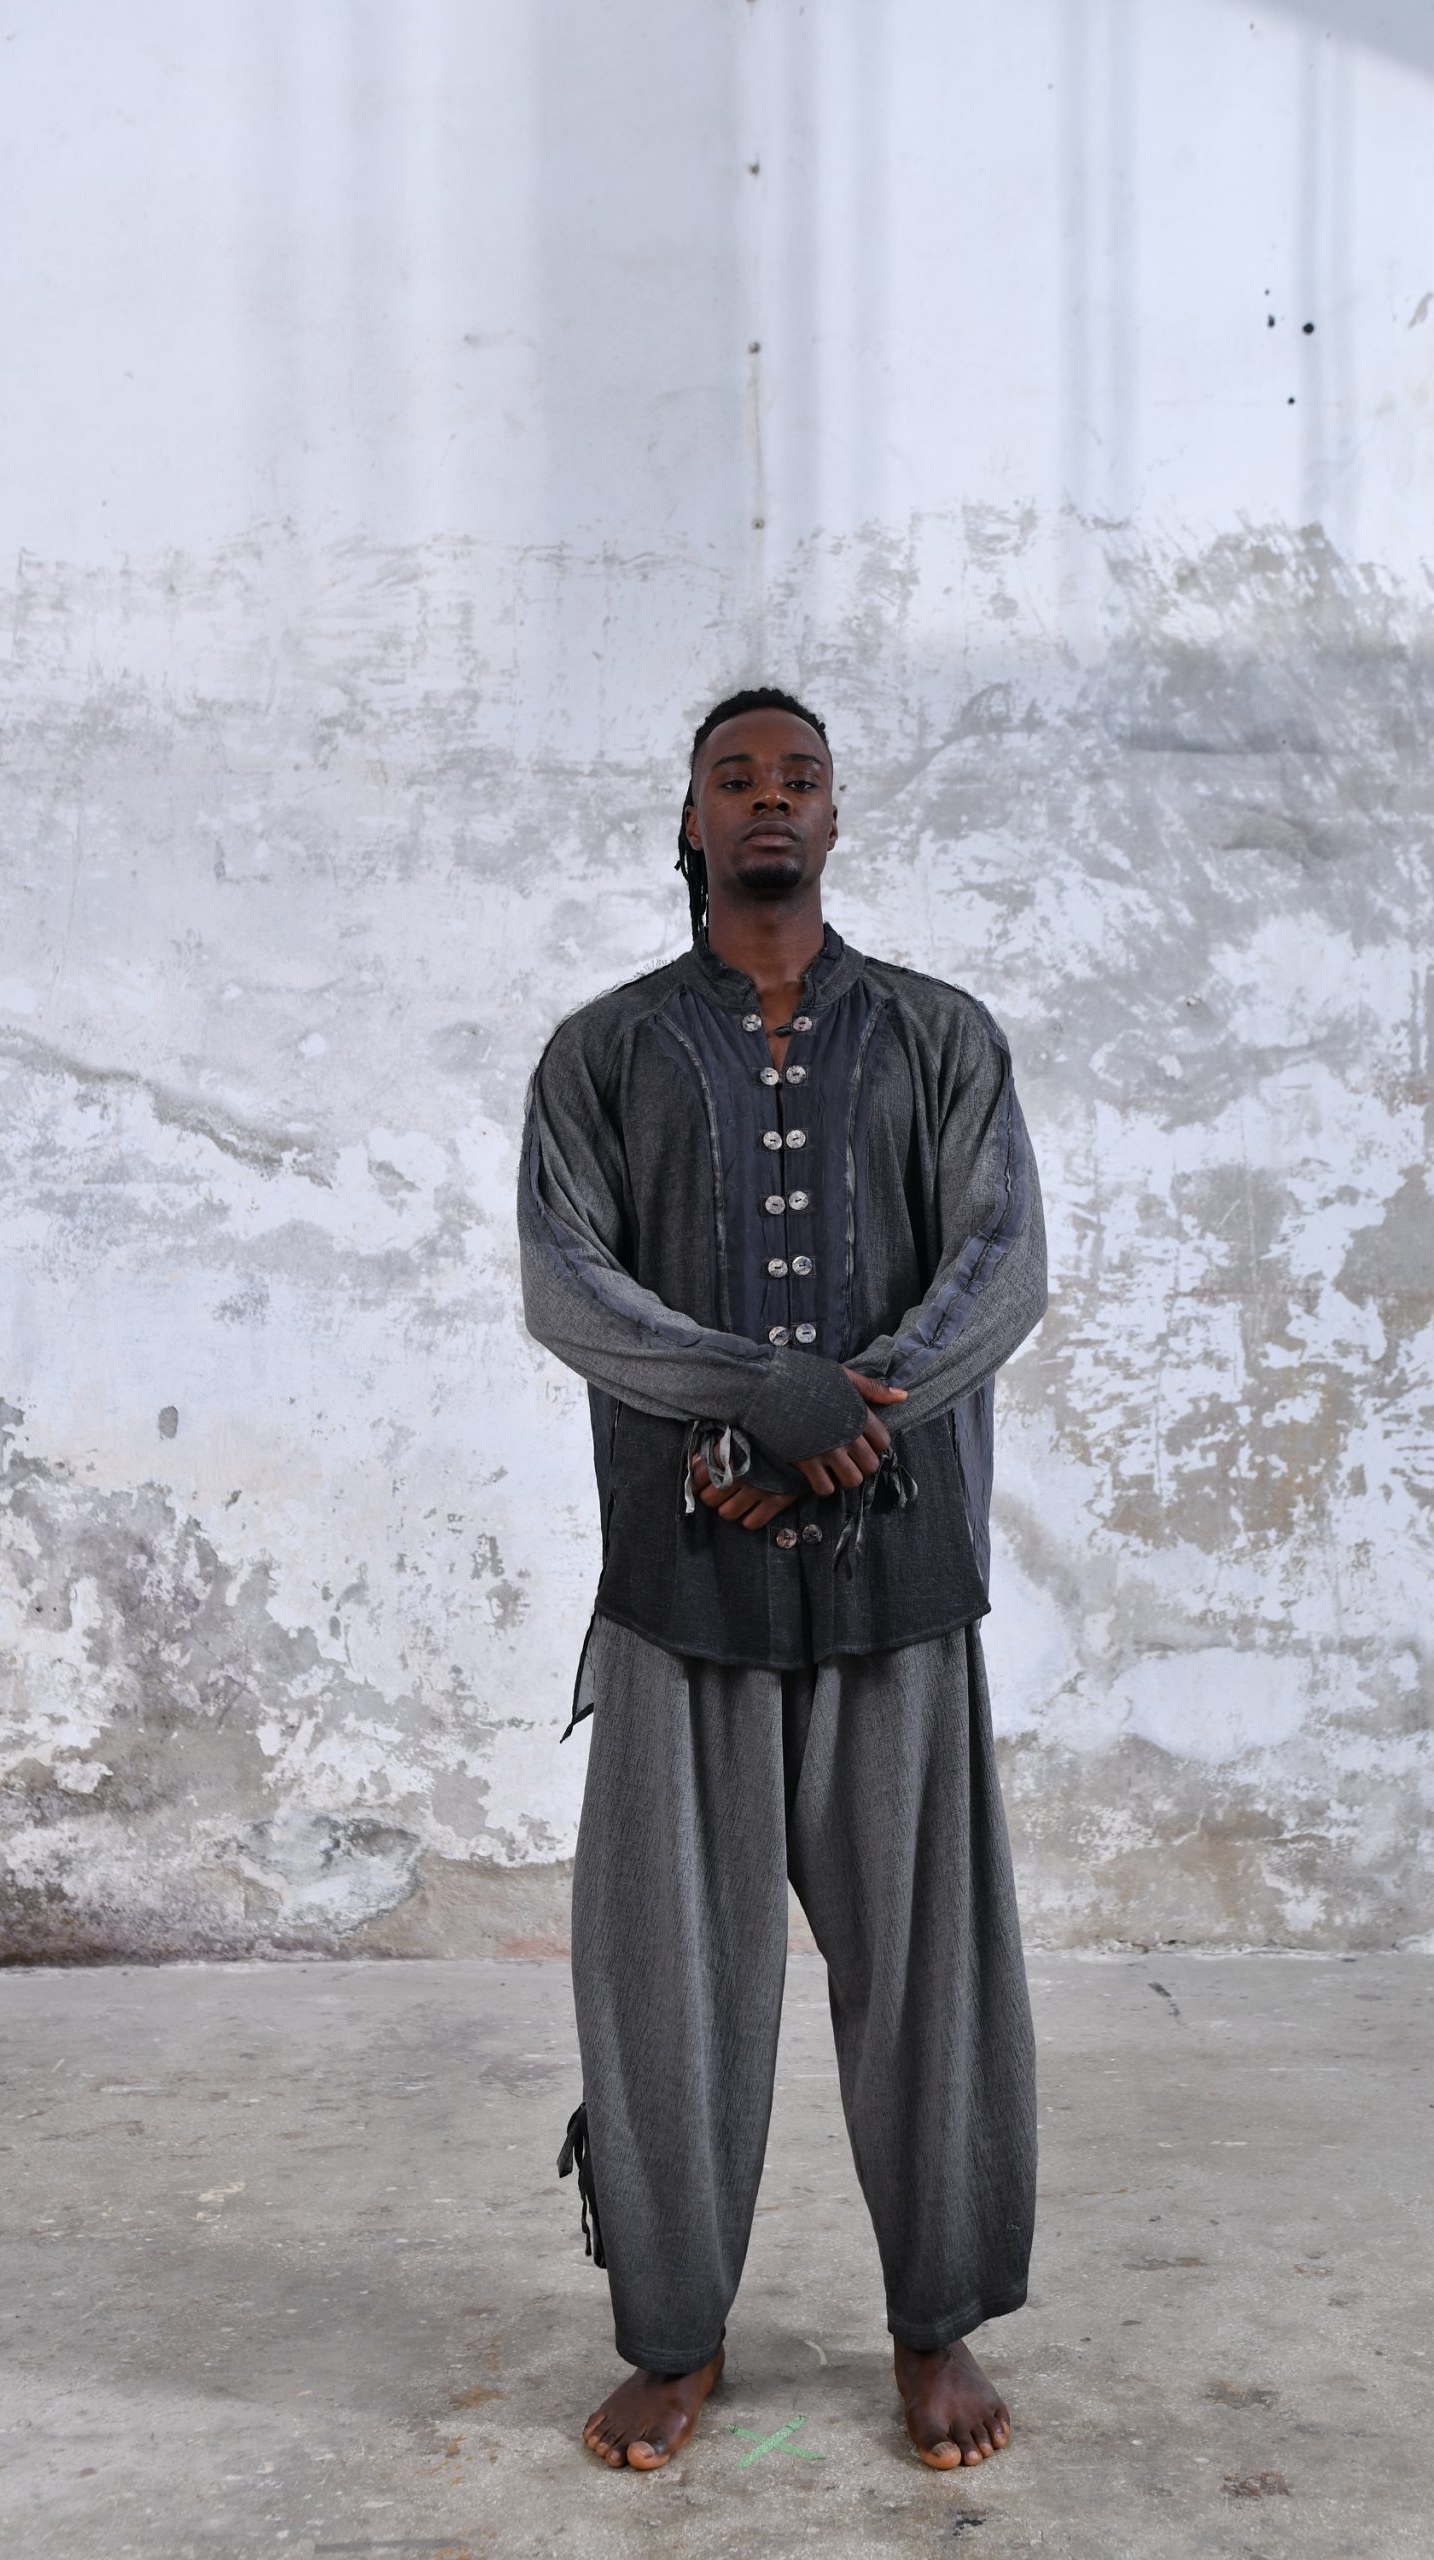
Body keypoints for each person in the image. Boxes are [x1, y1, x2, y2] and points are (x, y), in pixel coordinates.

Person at [517, 687, 1047, 2474]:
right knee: (669, 1983)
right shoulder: (600, 1052)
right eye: (734, 777)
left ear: (836, 818)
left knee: (930, 1974)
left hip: (901, 1578)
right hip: (685, 1581)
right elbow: (571, 1286)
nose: (769, 798)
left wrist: (848, 1414)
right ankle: (675, 2335)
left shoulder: (941, 1036)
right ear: (689, 819)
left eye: (799, 777)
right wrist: (758, 1395)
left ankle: (936, 2324)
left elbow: (1002, 1265)